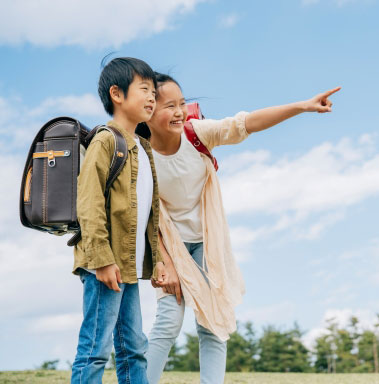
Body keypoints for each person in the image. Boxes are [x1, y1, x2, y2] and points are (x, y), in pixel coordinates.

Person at [141, 72, 340, 384]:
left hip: (208, 242)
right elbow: (146, 216)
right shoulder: (141, 156)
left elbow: (246, 123)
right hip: (170, 247)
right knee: (168, 323)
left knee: (214, 325)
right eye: (169, 106)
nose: (179, 111)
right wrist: (164, 261)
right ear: (148, 110)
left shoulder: (197, 134)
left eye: (182, 103)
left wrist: (303, 106)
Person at [71, 57, 166, 384]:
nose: (152, 97)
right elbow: (89, 202)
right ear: (117, 93)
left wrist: (158, 261)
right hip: (105, 265)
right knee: (95, 348)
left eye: (154, 91)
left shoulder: (143, 148)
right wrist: (101, 259)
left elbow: (148, 214)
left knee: (133, 348)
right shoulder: (106, 140)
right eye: (144, 89)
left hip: (127, 265)